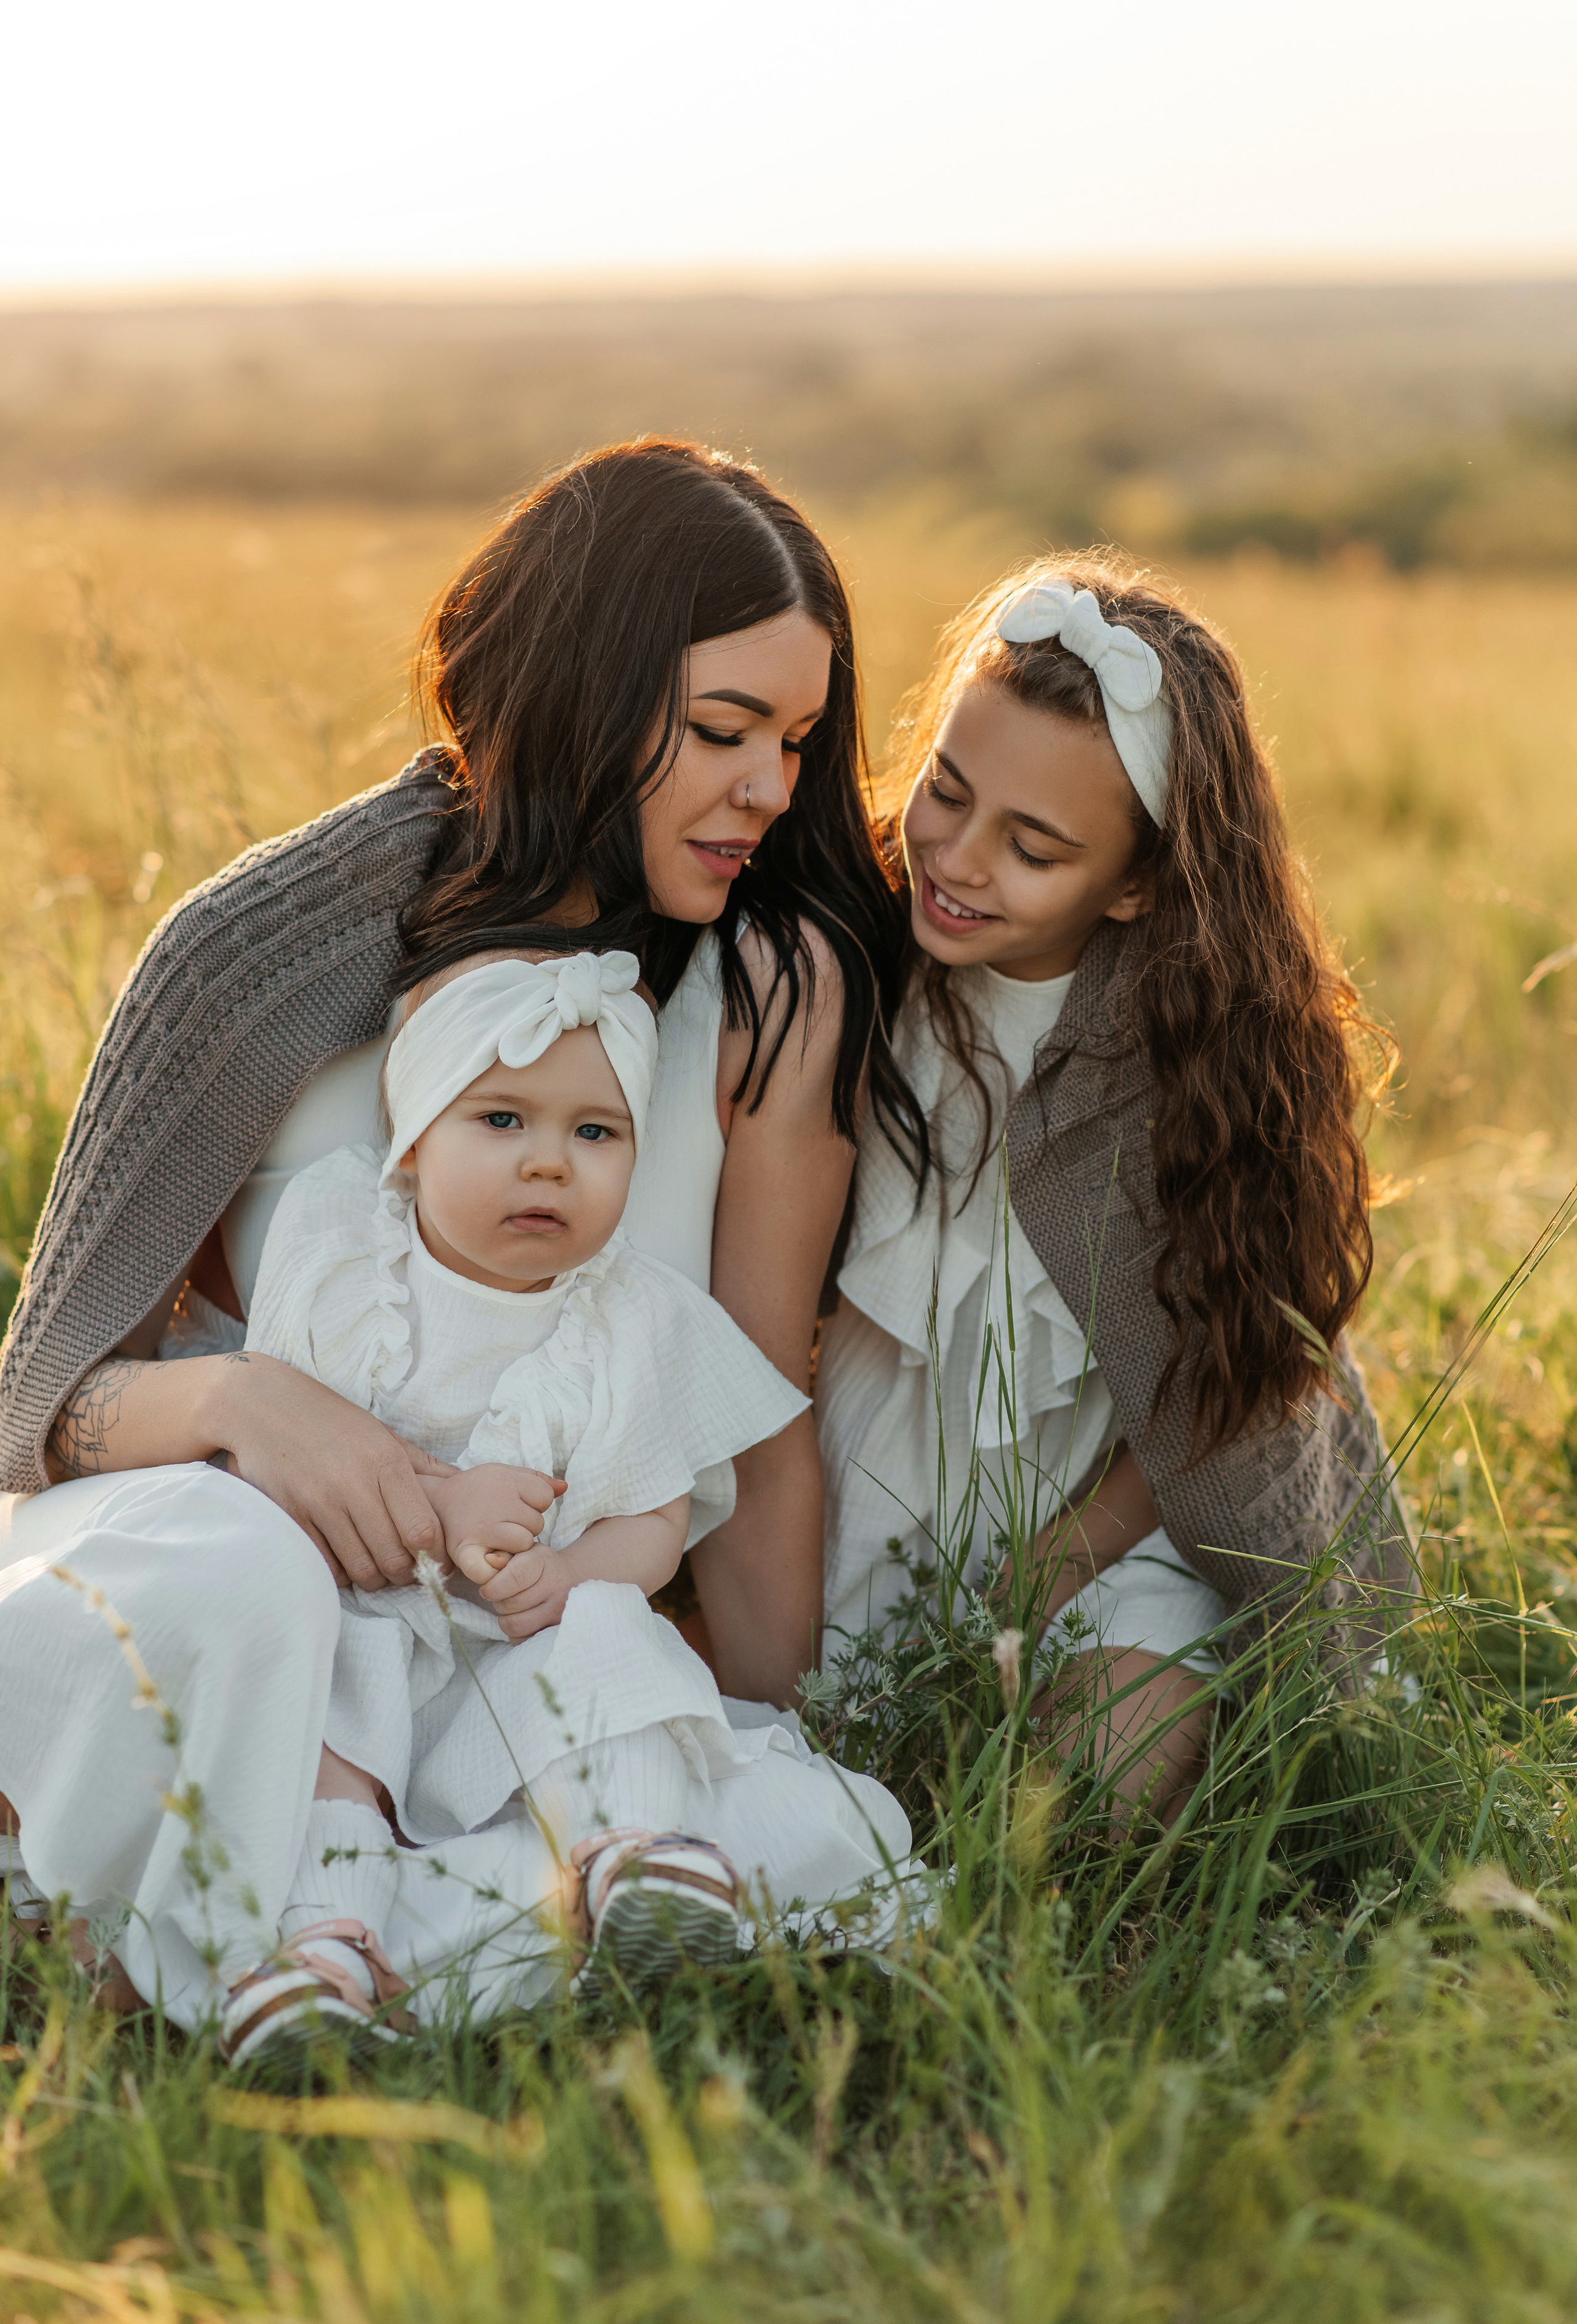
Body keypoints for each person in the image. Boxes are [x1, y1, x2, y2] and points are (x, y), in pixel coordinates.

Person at [0, 438, 923, 2017]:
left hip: (505, 1635)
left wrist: (773, 1720)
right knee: (241, 1583)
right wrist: (241, 1406)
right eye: (720, 731)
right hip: (239, 1575)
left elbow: (752, 1433)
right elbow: (37, 1412)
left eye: (793, 739)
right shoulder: (255, 959)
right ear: (583, 691)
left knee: (811, 1826)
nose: (769, 789)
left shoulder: (769, 990)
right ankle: (291, 1919)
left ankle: (253, 1940)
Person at [205, 949, 909, 2060]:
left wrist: (572, 1576)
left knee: (605, 1635)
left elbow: (653, 1520)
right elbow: (283, 1450)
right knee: (311, 1720)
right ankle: (323, 1947)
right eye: (499, 1120)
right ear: (415, 1137)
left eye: (596, 1133)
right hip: (360, 1619)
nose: (548, 1164)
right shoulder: (344, 1243)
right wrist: (449, 1505)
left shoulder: (624, 1315)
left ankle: (637, 1859)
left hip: (516, 1639)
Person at [816, 560, 1413, 1821]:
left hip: (1097, 1510)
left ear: (1136, 884)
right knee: (832, 1733)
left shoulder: (1186, 1062)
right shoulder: (858, 959)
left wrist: (1042, 1579)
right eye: (945, 791)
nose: (959, 862)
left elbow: (1212, 1389)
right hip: (862, 1475)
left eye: (1031, 848)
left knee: (1104, 1771)